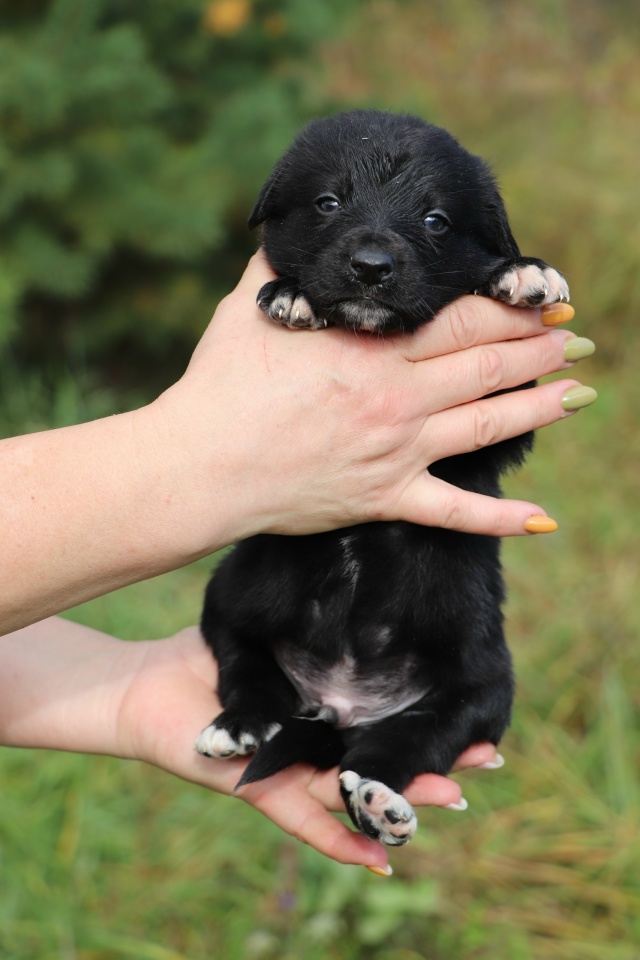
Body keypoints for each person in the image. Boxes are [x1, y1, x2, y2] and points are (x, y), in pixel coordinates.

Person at [0, 250, 595, 872]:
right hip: (295, 643)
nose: (374, 248)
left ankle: (376, 766)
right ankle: (331, 742)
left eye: (434, 227)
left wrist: (124, 684)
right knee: (240, 619)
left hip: (415, 668)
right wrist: (198, 463)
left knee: (469, 699)